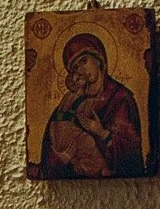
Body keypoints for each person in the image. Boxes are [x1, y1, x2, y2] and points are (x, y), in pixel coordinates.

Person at [38, 32, 147, 176]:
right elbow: (49, 155)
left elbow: (131, 156)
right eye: (76, 68)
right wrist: (63, 159)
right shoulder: (68, 104)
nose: (81, 70)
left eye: (84, 61)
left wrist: (102, 133)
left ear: (99, 59)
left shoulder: (120, 98)